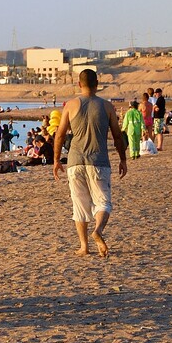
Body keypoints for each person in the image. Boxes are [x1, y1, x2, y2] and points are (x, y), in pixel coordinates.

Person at [53, 69, 127, 258]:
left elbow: (60, 134)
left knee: (79, 205)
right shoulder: (107, 106)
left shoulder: (70, 105)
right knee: (103, 202)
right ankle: (98, 230)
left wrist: (55, 160)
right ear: (97, 85)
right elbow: (117, 136)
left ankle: (84, 246)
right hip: (99, 161)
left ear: (79, 84)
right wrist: (122, 159)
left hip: (75, 161)